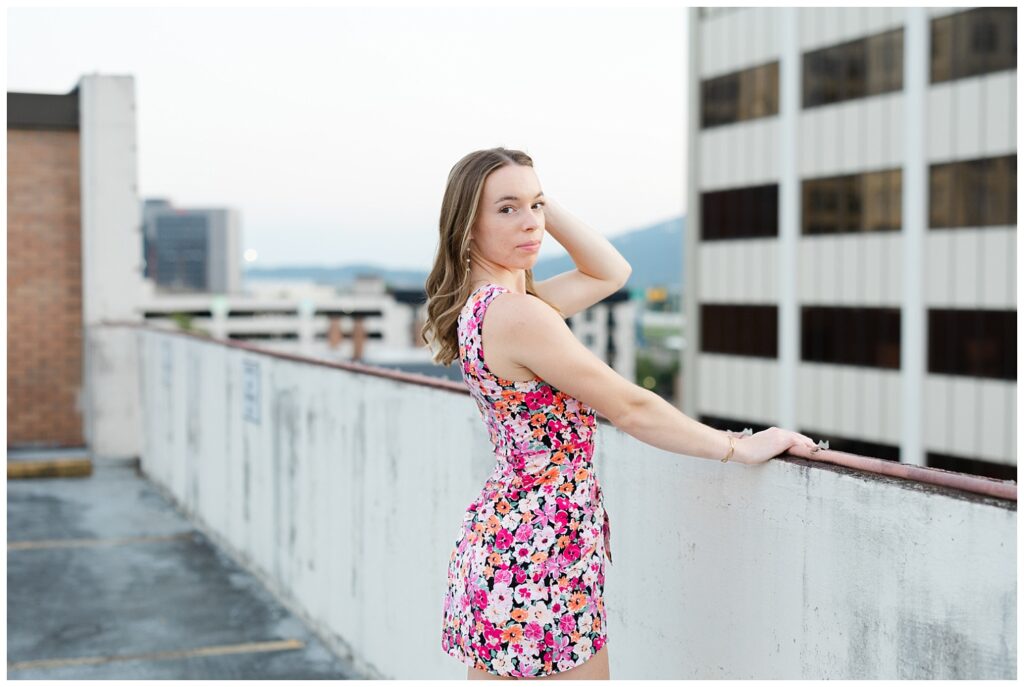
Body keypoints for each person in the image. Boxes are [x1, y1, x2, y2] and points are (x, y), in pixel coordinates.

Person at [422, 147, 821, 680]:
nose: (530, 223)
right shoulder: (519, 315)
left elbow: (611, 271)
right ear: (467, 224)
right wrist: (737, 446)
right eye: (506, 209)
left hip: (512, 546)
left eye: (536, 206)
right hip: (539, 553)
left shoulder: (490, 308)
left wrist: (536, 202)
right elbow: (631, 407)